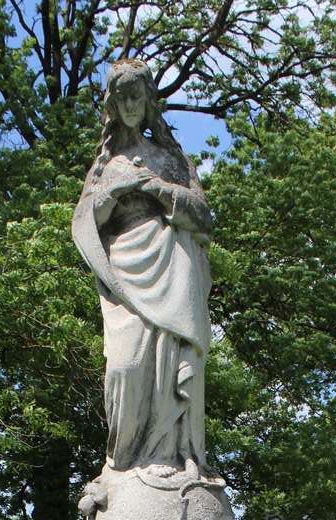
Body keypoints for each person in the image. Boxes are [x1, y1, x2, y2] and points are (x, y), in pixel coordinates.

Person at [73, 59, 213, 481]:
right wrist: (110, 195)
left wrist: (160, 189)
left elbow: (204, 217)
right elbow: (83, 223)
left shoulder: (170, 159)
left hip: (172, 267)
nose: (131, 102)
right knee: (124, 368)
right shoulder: (105, 165)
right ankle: (122, 467)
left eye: (138, 94)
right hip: (125, 274)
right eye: (123, 96)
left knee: (172, 369)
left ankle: (174, 454)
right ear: (112, 104)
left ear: (149, 98)